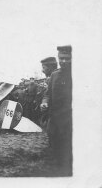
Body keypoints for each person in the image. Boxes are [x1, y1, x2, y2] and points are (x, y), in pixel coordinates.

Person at [41, 45, 72, 175]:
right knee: (54, 141)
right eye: (61, 58)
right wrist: (44, 102)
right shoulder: (54, 75)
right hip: (54, 117)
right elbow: (47, 94)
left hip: (70, 118)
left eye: (67, 58)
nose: (64, 61)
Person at [35, 57, 58, 128]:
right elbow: (47, 94)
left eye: (44, 67)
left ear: (50, 67)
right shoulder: (52, 78)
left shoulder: (60, 76)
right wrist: (44, 103)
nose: (42, 70)